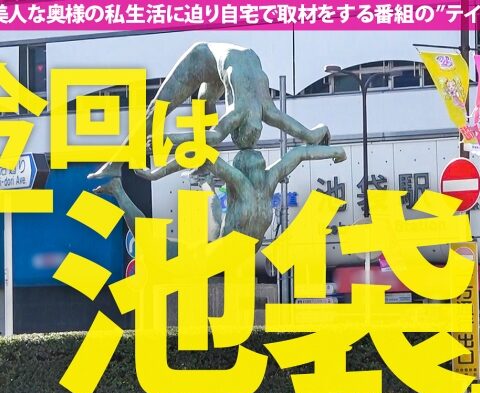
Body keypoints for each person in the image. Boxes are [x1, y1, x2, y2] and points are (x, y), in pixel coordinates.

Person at [88, 42, 330, 180]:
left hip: (232, 64)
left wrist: (318, 132)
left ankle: (202, 164)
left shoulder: (268, 111)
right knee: (157, 109)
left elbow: (303, 131)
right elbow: (213, 135)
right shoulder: (242, 111)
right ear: (238, 128)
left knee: (205, 101)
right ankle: (114, 163)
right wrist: (166, 140)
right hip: (201, 58)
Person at [95, 143, 346, 251]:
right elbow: (299, 153)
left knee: (152, 245)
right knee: (153, 245)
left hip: (226, 252)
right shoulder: (258, 182)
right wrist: (336, 151)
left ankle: (118, 191)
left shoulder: (249, 182)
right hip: (221, 251)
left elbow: (202, 155)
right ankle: (118, 190)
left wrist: (156, 174)